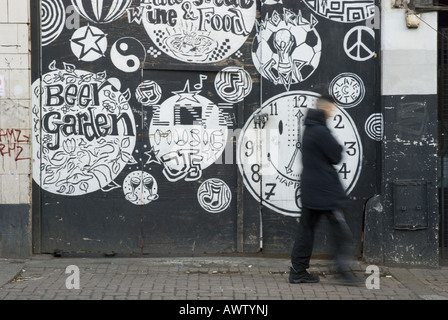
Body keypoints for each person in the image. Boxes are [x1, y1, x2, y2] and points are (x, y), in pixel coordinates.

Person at [289, 94, 356, 284]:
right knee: (341, 231)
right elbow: (336, 154)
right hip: (325, 193)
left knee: (306, 231)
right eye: (332, 109)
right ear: (325, 109)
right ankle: (342, 271)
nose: (333, 112)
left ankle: (298, 271)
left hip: (312, 191)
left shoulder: (310, 128)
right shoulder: (320, 130)